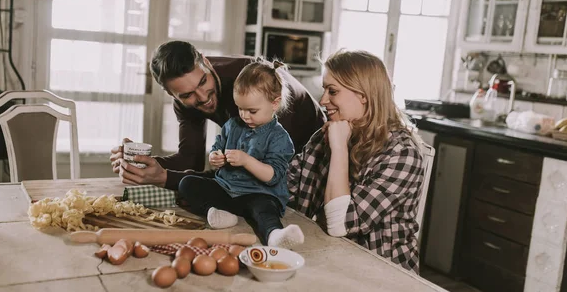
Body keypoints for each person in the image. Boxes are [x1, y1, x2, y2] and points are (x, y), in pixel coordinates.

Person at [110, 41, 326, 189]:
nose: (202, 97)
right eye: (187, 95)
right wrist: (141, 163)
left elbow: (243, 177)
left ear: (206, 61)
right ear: (171, 94)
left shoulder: (249, 83)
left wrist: (164, 178)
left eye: (203, 81)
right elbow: (191, 160)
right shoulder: (185, 103)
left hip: (316, 156)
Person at [288, 50, 424, 273]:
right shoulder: (326, 136)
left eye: (332, 91)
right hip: (329, 259)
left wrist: (339, 148)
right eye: (324, 90)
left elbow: (338, 223)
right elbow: (285, 187)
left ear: (364, 95)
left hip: (383, 276)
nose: (323, 100)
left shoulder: (403, 153)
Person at [178, 59, 304, 248]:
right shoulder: (233, 125)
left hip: (259, 193)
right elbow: (217, 146)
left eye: (252, 110)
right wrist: (215, 157)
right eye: (240, 108)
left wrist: (246, 160)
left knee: (264, 209)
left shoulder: (279, 137)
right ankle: (222, 214)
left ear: (274, 103)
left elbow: (272, 176)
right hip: (227, 190)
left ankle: (274, 235)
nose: (245, 116)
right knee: (187, 183)